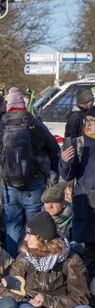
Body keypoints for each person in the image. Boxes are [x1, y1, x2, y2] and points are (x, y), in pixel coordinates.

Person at [0, 212, 95, 308]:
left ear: (42, 239)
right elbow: (3, 289)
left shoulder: (71, 260)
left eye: (30, 235)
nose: (25, 238)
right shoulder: (24, 258)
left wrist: (47, 301)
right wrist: (27, 299)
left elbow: (81, 298)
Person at [0, 87, 59, 257]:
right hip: (34, 183)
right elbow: (54, 149)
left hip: (10, 186)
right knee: (35, 228)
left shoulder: (0, 127)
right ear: (24, 106)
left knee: (13, 227)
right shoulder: (35, 125)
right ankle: (34, 264)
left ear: (8, 106)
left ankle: (14, 265)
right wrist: (51, 175)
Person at [59, 106, 95, 282]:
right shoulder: (78, 144)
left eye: (93, 122)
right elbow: (67, 175)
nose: (88, 125)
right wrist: (65, 162)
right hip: (86, 209)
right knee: (87, 257)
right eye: (87, 121)